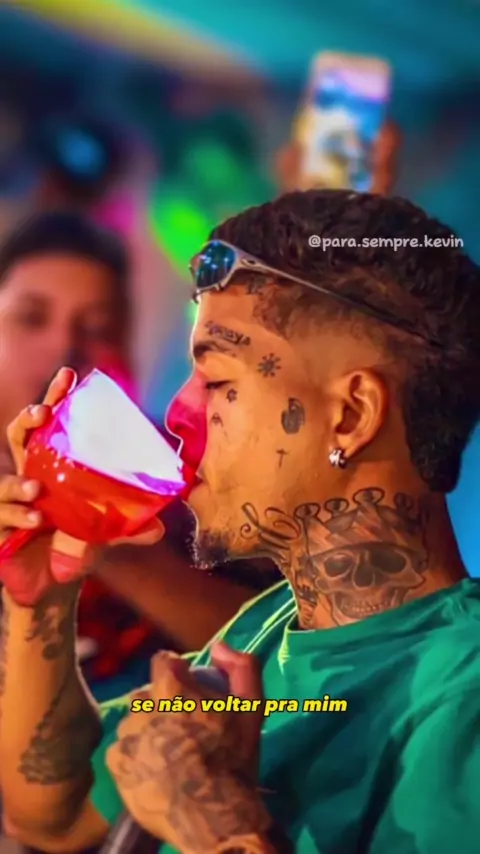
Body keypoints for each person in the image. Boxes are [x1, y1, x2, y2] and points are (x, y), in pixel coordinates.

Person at [2, 188, 480, 854]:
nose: (178, 413)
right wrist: (43, 602)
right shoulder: (266, 631)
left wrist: (219, 823)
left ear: (351, 415)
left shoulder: (462, 695)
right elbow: (55, 811)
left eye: (219, 380)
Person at [0, 211, 265, 677]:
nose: (63, 346)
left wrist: (113, 541)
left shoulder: (196, 469)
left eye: (97, 328)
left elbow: (281, 658)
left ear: (126, 347)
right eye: (31, 318)